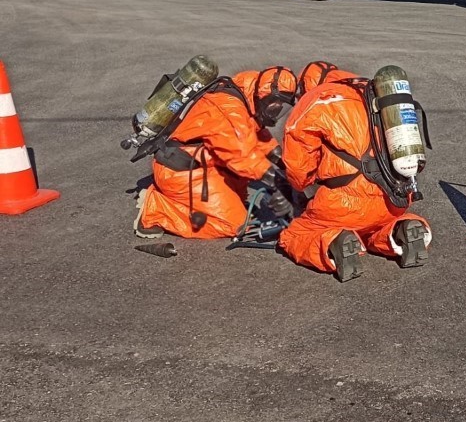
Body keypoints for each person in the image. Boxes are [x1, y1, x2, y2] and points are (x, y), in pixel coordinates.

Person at [278, 70, 430, 281]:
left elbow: (298, 168)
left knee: (295, 234)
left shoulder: (318, 99)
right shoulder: (375, 92)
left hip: (341, 205)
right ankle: (401, 229)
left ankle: (334, 243)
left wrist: (302, 186)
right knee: (372, 230)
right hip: (395, 197)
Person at [135, 67, 297, 239]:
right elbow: (242, 156)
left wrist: (284, 162)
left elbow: (253, 134)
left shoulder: (248, 94)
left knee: (240, 200)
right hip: (182, 170)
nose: (276, 113)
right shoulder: (228, 108)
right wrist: (277, 180)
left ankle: (188, 200)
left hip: (206, 163)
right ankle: (157, 209)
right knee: (234, 224)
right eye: (274, 107)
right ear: (264, 96)